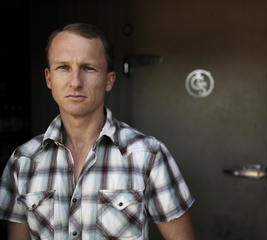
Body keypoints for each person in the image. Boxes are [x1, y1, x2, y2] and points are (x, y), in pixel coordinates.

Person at [0, 23, 195, 240]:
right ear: (48, 78)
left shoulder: (148, 155)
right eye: (63, 67)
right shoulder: (22, 161)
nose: (75, 82)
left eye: (88, 68)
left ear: (109, 80)